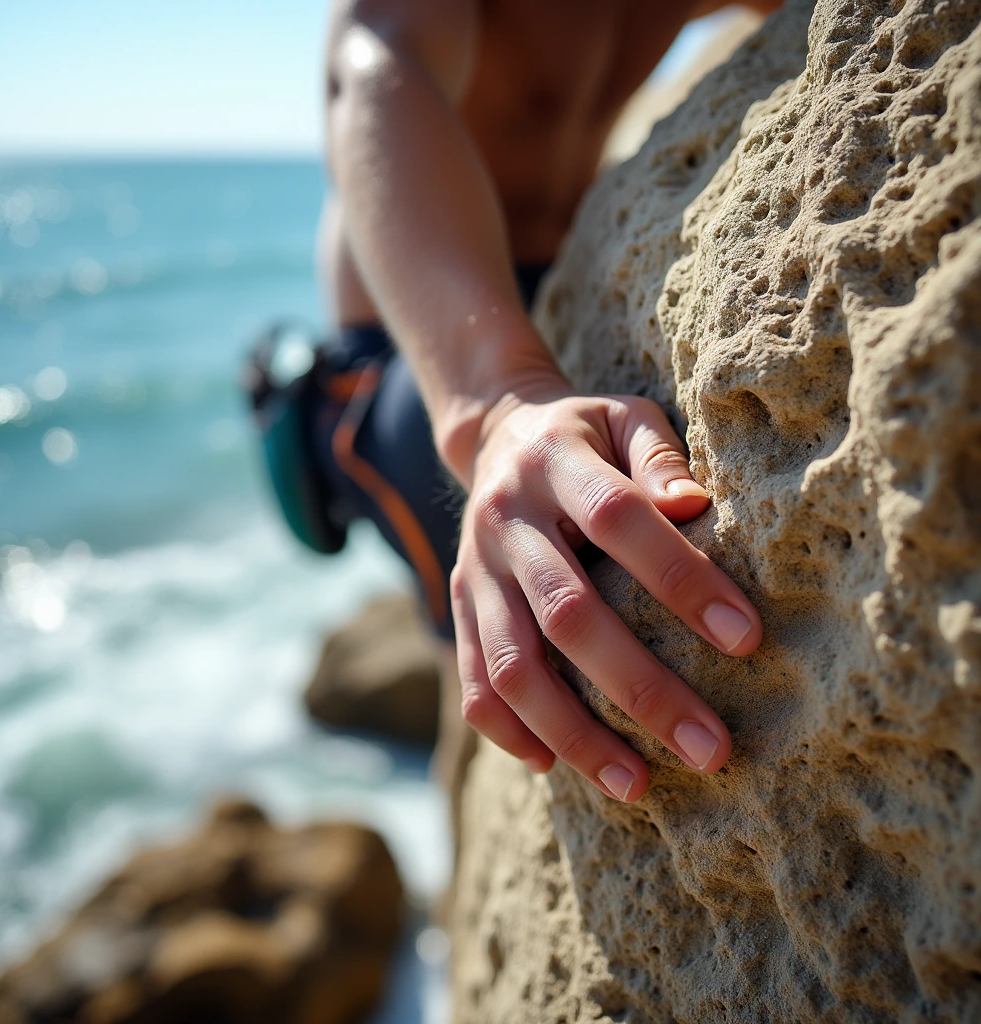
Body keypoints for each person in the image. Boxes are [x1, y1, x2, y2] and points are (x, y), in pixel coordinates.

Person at [301, 0, 780, 804]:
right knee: (506, 629)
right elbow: (375, 57)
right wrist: (496, 405)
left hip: (555, 272)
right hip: (407, 337)